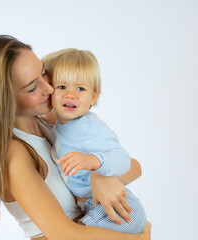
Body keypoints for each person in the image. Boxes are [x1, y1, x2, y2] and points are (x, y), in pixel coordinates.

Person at [0, 35, 151, 240]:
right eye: (33, 87)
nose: (49, 88)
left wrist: (98, 176)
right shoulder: (14, 154)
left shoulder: (53, 121)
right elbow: (64, 235)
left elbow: (134, 166)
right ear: (4, 100)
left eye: (44, 73)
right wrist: (140, 238)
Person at [42, 49, 146, 233]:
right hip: (92, 205)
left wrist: (92, 161)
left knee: (76, 233)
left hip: (118, 207)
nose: (71, 95)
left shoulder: (89, 127)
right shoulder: (60, 124)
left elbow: (121, 158)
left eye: (80, 88)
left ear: (94, 96)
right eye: (62, 87)